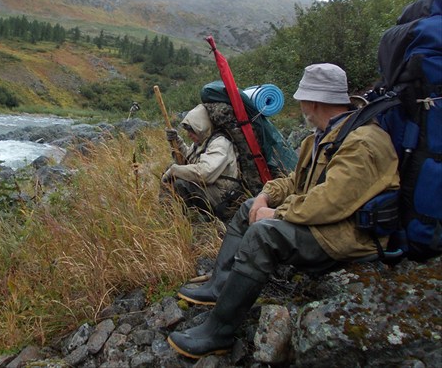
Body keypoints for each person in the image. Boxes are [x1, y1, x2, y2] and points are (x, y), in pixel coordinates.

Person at [168, 63, 400, 359]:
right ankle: (220, 286)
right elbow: (295, 181)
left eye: (303, 99)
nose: (301, 106)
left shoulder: (363, 142)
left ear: (315, 101)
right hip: (328, 222)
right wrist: (265, 195)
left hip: (350, 236)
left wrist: (277, 215)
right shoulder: (322, 136)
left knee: (264, 235)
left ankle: (219, 332)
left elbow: (331, 201)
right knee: (250, 207)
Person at [161, 103, 241, 221]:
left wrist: (174, 170)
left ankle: (192, 221)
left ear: (201, 127)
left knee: (181, 184)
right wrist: (177, 142)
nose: (189, 135)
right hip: (210, 189)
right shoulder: (202, 141)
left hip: (223, 197)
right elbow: (188, 161)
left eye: (191, 130)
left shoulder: (220, 144)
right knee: (173, 171)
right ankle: (169, 215)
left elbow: (204, 174)